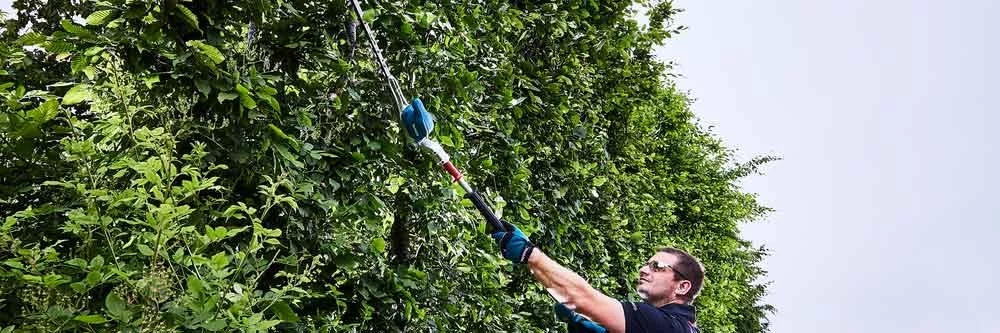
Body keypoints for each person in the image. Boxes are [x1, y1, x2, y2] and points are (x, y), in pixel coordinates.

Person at [489, 220, 704, 333]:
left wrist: (530, 255)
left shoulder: (667, 327)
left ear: (682, 286)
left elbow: (583, 298)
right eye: (646, 264)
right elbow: (577, 300)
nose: (643, 269)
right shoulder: (678, 326)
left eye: (657, 266)